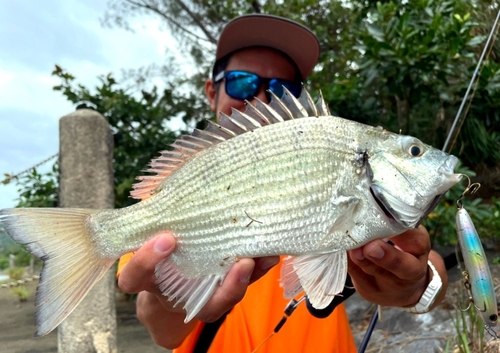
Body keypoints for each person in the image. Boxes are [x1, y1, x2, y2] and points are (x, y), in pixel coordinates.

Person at [117, 14, 449, 352]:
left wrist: (416, 285)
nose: (259, 98)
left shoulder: (346, 180)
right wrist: (169, 300)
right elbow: (161, 330)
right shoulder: (170, 196)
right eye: (242, 82)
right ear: (211, 90)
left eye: (282, 90)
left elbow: (425, 262)